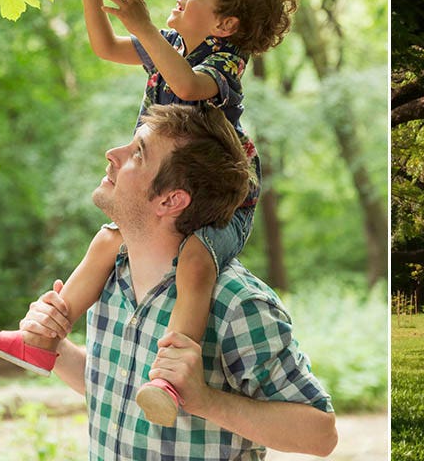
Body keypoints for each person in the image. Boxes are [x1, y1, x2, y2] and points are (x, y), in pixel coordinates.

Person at [0, 0, 298, 426]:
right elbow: (104, 46)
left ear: (225, 25)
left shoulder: (225, 61)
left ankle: (171, 377)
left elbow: (186, 86)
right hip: (164, 188)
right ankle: (42, 339)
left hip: (225, 201)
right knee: (107, 239)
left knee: (196, 259)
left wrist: (143, 26)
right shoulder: (168, 43)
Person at [21, 104, 337, 459]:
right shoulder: (109, 278)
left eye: (137, 153)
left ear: (171, 200)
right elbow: (113, 390)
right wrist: (53, 343)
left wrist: (204, 401)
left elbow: (321, 434)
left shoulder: (237, 302)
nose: (112, 154)